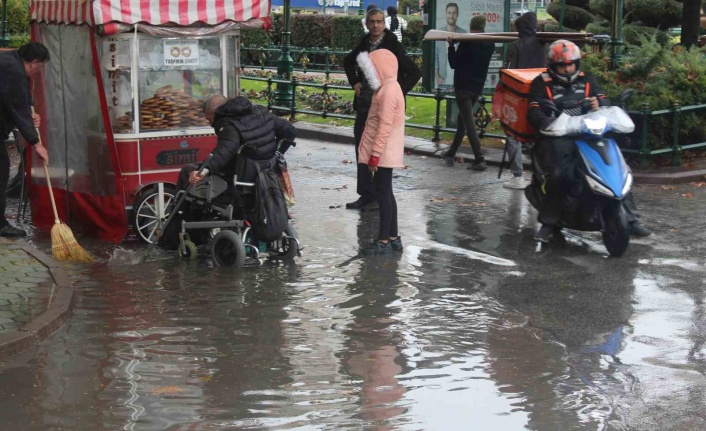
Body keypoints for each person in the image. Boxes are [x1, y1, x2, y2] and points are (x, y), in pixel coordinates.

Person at [527, 40, 652, 242]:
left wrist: (600, 102)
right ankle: (550, 222)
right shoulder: (541, 83)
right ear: (552, 66)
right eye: (562, 65)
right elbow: (533, 110)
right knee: (561, 174)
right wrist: (547, 120)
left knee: (617, 168)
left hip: (589, 132)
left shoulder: (587, 79)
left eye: (571, 64)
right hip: (556, 136)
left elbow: (604, 99)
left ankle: (631, 219)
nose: (568, 69)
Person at [343, 8, 421, 211]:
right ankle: (366, 194)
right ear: (367, 23)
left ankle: (379, 196)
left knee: (379, 152)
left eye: (379, 22)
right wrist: (355, 82)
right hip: (365, 106)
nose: (376, 25)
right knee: (361, 149)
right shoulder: (364, 42)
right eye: (372, 22)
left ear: (384, 23)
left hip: (383, 107)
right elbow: (348, 61)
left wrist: (395, 92)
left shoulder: (392, 44)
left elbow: (414, 71)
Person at [176, 95, 296, 191]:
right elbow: (290, 131)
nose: (209, 123)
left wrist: (205, 170)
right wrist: (277, 153)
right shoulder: (261, 111)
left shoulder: (227, 124)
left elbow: (225, 150)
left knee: (188, 170)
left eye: (209, 118)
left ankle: (180, 216)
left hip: (242, 177)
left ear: (216, 113)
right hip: (269, 170)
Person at [356, 49, 405, 255]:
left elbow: (384, 125)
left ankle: (384, 239)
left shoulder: (387, 92)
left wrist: (375, 154)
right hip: (386, 151)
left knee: (383, 194)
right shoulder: (389, 88)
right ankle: (393, 237)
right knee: (387, 193)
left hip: (383, 152)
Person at [0, 42, 50, 237]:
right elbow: (18, 107)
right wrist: (37, 144)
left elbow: (22, 99)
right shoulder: (14, 69)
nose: (38, 72)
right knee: (2, 172)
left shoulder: (10, 60)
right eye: (40, 67)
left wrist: (30, 112)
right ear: (34, 62)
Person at [440, 15, 494, 171]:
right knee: (462, 121)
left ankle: (479, 158)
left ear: (471, 27)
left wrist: (451, 46)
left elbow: (454, 63)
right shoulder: (489, 43)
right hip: (477, 87)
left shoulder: (466, 42)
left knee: (469, 124)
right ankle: (450, 153)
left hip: (463, 88)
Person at [502, 11, 545, 189]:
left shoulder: (515, 46)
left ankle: (518, 176)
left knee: (513, 135)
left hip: (519, 96)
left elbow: (508, 73)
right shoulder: (544, 45)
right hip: (540, 96)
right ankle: (539, 176)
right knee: (538, 136)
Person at [435, 3, 467, 88]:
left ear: (458, 14)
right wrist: (437, 77)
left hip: (459, 80)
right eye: (449, 13)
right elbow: (436, 57)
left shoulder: (464, 33)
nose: (451, 16)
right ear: (445, 13)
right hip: (443, 80)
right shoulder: (439, 33)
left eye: (454, 13)